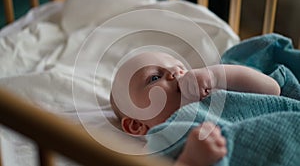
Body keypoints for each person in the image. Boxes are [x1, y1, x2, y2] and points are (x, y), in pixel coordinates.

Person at [110, 52, 281, 166]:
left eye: (180, 66)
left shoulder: (218, 91)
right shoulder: (159, 144)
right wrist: (190, 159)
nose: (175, 72)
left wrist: (214, 76)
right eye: (155, 77)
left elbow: (273, 90)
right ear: (135, 125)